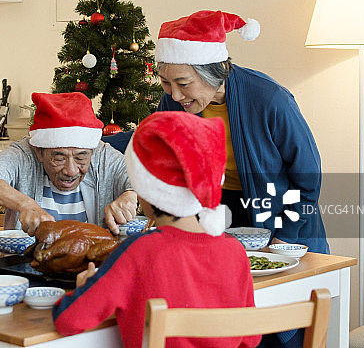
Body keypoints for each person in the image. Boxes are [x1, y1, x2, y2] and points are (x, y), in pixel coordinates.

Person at [104, 10, 329, 254]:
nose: (175, 95)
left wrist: (285, 238)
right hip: (223, 212)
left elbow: (308, 179)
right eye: (165, 82)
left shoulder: (271, 100)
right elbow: (153, 149)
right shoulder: (174, 101)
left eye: (183, 83)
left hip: (284, 220)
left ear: (214, 72)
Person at [53, 111, 260, 348]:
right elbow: (250, 339)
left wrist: (85, 288)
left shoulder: (139, 251)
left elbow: (69, 320)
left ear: (149, 188)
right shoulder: (235, 250)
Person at [0, 92, 136, 236]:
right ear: (39, 151)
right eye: (59, 158)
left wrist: (130, 195)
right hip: (27, 271)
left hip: (93, 272)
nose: (71, 170)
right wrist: (24, 204)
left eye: (80, 157)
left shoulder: (101, 154)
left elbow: (143, 175)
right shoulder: (24, 155)